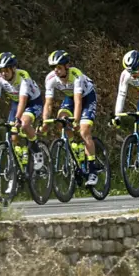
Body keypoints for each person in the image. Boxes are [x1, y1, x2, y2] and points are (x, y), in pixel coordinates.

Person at [42, 50, 101, 186]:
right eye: (53, 68)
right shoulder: (50, 79)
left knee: (84, 130)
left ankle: (92, 171)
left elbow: (79, 102)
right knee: (60, 121)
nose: (56, 71)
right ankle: (75, 149)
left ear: (66, 66)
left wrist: (76, 121)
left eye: (59, 67)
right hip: (70, 98)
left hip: (87, 98)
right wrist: (45, 121)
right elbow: (48, 103)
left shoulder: (76, 75)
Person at [0, 52, 44, 168]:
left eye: (6, 70)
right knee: (13, 135)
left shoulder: (23, 76)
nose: (3, 73)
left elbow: (23, 101)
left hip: (32, 101)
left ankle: (37, 153)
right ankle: (19, 166)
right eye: (1, 70)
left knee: (24, 124)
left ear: (13, 69)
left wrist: (17, 119)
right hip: (16, 103)